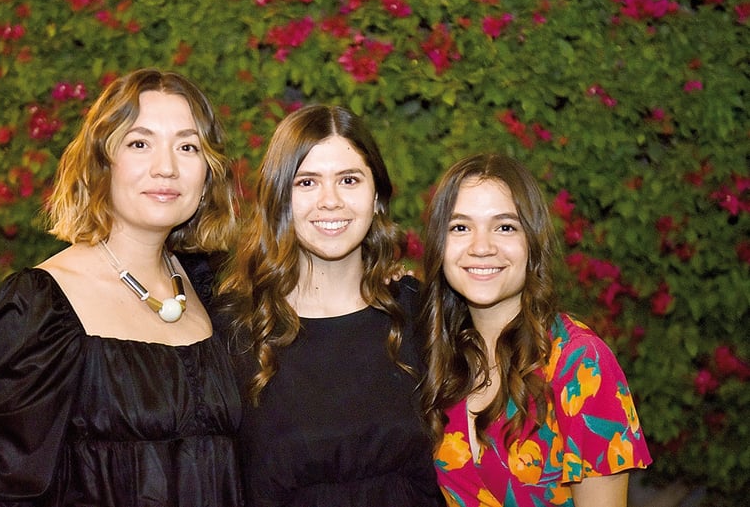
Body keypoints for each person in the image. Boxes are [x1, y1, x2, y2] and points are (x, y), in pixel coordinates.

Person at [0, 68, 243, 506]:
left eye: (187, 147)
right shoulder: (42, 309)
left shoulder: (214, 290)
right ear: (101, 163)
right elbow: (13, 494)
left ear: (208, 174)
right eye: (139, 143)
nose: (166, 167)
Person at [216, 104, 444, 507]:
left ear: (376, 195)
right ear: (279, 197)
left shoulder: (421, 311)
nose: (330, 201)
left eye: (349, 180)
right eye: (307, 182)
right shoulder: (234, 329)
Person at [420, 153, 652, 507]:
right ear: (439, 244)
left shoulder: (580, 362)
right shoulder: (438, 354)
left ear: (532, 243)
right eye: (460, 227)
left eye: (505, 227)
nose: (482, 247)